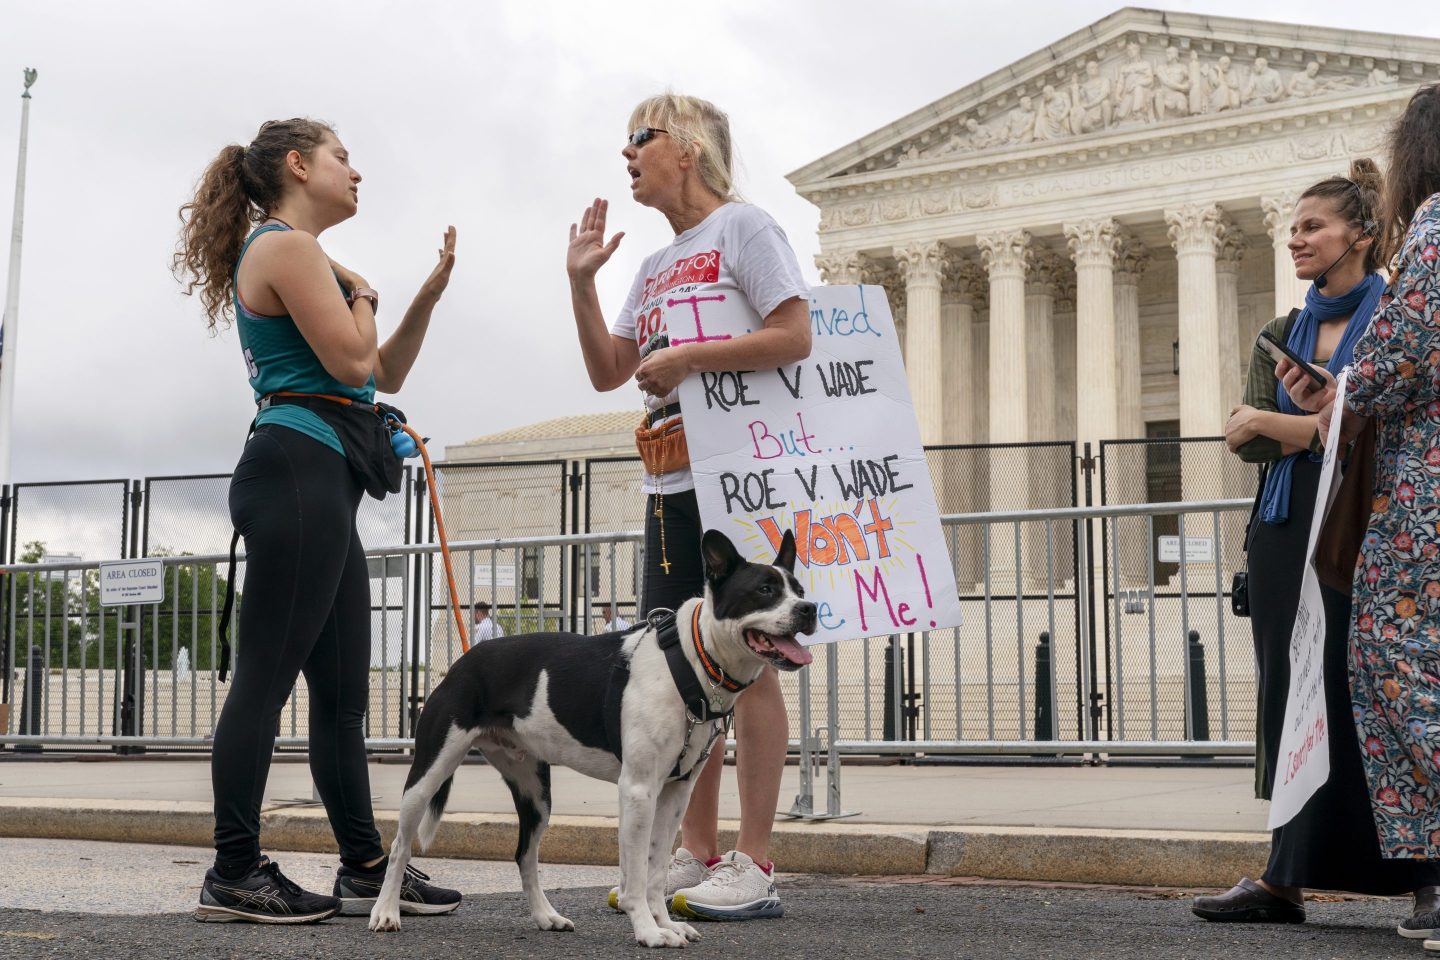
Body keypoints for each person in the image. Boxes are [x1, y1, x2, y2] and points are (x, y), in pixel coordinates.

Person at [173, 118, 460, 923]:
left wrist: (423, 298)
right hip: (296, 471)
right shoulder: (288, 247)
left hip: (320, 477)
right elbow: (349, 361)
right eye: (342, 156)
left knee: (339, 698)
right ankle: (233, 870)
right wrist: (364, 295)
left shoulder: (303, 253)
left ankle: (366, 866)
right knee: (263, 682)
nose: (355, 169)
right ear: (299, 165)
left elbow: (381, 368)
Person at [565, 93, 811, 921]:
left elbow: (795, 332)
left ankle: (757, 860)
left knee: (753, 654)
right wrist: (581, 284)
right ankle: (697, 854)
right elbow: (610, 369)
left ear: (692, 148)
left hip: (736, 470)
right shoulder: (655, 263)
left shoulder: (745, 229)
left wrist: (687, 358)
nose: (627, 153)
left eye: (642, 137)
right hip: (670, 480)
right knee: (680, 670)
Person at [1200, 158, 1440, 927]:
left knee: (1370, 690)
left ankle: (1422, 875)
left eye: (1313, 226)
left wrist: (1283, 424)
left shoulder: (1397, 311)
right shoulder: (1280, 332)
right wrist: (1294, 429)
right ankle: (1284, 875)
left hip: (1370, 524)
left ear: (1361, 235)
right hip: (1284, 524)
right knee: (1291, 691)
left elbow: (1377, 417)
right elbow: (1243, 435)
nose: (1296, 239)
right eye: (1293, 227)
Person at [1279, 84, 1440, 945]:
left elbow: (1391, 363)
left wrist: (1334, 394)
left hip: (1423, 503)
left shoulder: (1437, 230)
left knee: (1400, 669)